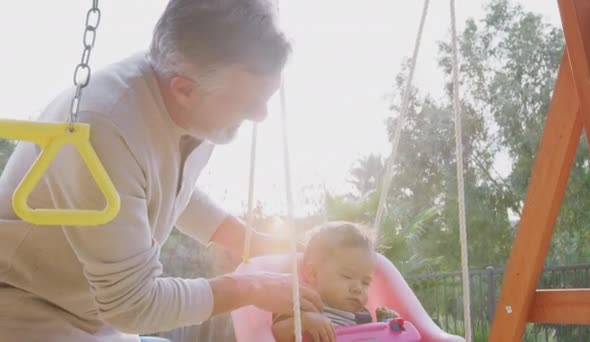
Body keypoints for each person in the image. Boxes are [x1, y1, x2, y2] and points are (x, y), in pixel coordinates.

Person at [0, 0, 324, 341]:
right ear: (184, 90)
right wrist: (250, 287)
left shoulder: (195, 93)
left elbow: (164, 185)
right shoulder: (104, 126)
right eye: (248, 102)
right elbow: (132, 305)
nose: (260, 115)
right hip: (27, 312)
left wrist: (249, 241)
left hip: (95, 315)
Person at [271, 221, 399, 342]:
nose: (358, 288)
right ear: (313, 274)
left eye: (365, 282)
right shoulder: (302, 304)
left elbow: (374, 338)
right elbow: (277, 332)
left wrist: (385, 324)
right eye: (347, 276)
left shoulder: (362, 316)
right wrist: (304, 322)